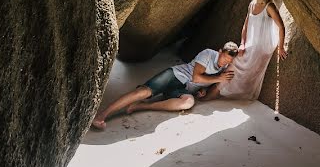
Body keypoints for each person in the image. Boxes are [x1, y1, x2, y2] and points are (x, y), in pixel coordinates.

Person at [90, 42, 240, 130]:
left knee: (188, 102)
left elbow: (201, 82)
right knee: (143, 92)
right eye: (224, 58)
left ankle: (140, 107)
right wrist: (217, 78)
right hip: (173, 76)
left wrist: (202, 90)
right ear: (220, 51)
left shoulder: (223, 67)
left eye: (228, 62)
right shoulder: (208, 54)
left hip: (182, 89)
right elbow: (196, 76)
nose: (224, 63)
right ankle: (102, 115)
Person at [218, 0, 287, 100]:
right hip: (250, 43)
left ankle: (234, 94)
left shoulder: (269, 6)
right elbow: (245, 26)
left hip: (263, 45)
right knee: (235, 60)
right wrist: (243, 43)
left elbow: (281, 26)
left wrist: (280, 47)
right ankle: (221, 90)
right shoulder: (252, 5)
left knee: (245, 66)